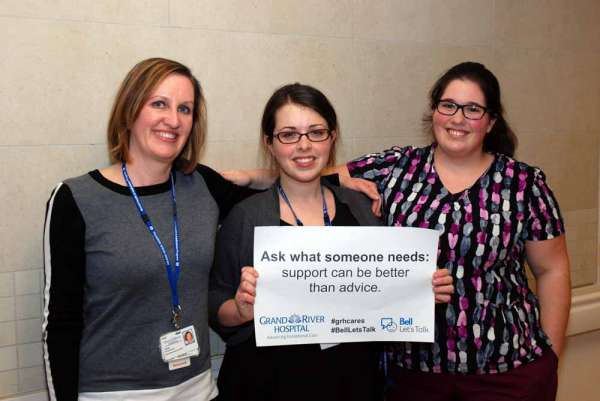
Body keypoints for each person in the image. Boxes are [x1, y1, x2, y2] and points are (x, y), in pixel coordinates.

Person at [209, 83, 453, 401]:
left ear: (332, 137)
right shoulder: (245, 217)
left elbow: (381, 292)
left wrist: (419, 292)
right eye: (289, 134)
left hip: (352, 381)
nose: (304, 146)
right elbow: (216, 301)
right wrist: (240, 310)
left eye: (316, 132)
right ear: (270, 143)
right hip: (267, 383)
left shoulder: (361, 207)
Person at [343, 62, 571, 401]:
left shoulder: (523, 184)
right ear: (434, 111)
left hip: (508, 374)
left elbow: (552, 270)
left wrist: (550, 356)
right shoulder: (395, 168)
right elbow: (309, 169)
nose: (457, 118)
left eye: (473, 109)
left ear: (491, 121)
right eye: (448, 105)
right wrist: (247, 178)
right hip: (413, 375)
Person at [43, 58, 254, 401]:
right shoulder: (75, 198)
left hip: (199, 389)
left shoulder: (203, 184)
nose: (173, 120)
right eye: (159, 103)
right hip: (112, 394)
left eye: (185, 109)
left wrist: (343, 175)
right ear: (129, 110)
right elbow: (61, 323)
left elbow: (287, 191)